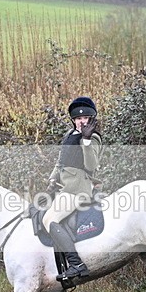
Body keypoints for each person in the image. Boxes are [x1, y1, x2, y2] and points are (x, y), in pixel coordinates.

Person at [43, 96, 102, 281]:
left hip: (78, 190)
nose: (81, 122)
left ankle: (76, 264)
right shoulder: (70, 135)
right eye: (77, 119)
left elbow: (91, 166)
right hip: (64, 188)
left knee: (50, 221)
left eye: (84, 119)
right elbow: (61, 161)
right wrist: (52, 179)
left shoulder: (93, 137)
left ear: (91, 119)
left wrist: (85, 141)